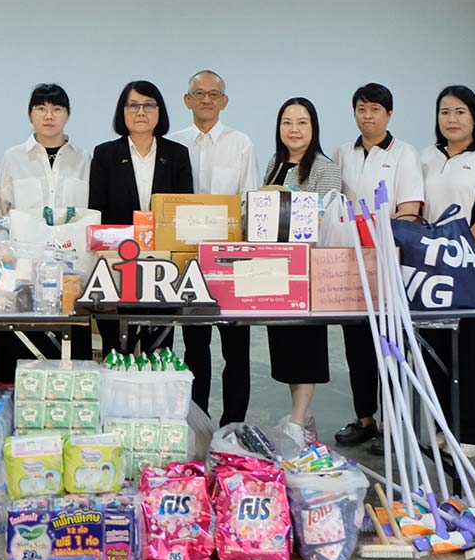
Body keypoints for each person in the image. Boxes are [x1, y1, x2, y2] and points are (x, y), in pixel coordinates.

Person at [330, 83, 424, 453]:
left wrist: (383, 243)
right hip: (351, 262)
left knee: (390, 343)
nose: (367, 116)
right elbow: (334, 205)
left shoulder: (404, 154)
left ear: (389, 114)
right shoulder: (343, 152)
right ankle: (365, 418)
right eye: (361, 109)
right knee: (356, 346)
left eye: (374, 110)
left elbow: (410, 210)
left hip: (388, 261)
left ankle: (392, 424)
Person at [419, 85, 475, 459]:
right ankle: (445, 427)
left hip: (474, 261)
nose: (451, 119)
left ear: (474, 117)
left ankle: (474, 434)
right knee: (436, 348)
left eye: (460, 112)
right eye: (445, 112)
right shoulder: (427, 156)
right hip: (431, 264)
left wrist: (461, 250)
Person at [168, 70, 259, 426]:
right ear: (187, 100)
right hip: (187, 260)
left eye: (214, 94)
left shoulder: (241, 144)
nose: (206, 99)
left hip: (231, 259)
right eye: (199, 93)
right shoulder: (173, 144)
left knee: (237, 349)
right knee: (195, 347)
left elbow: (249, 201)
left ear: (224, 101)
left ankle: (233, 426)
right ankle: (199, 422)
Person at [0, 84, 93, 380]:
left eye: (57, 109)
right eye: (41, 108)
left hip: (71, 274)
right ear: (30, 114)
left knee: (70, 356)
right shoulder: (12, 158)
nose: (49, 116)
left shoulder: (84, 160)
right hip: (24, 275)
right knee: (19, 355)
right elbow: (2, 212)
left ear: (68, 115)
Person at [89, 80, 193, 355]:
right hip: (117, 264)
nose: (141, 112)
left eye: (149, 105)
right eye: (133, 105)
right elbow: (97, 213)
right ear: (122, 112)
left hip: (163, 268)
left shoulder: (177, 155)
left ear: (160, 111)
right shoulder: (105, 154)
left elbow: (184, 213)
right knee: (116, 350)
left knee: (158, 350)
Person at [261, 97, 341, 445]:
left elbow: (324, 218)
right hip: (276, 267)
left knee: (306, 346)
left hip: (308, 269)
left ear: (313, 127)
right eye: (287, 122)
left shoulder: (325, 168)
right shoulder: (275, 163)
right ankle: (302, 418)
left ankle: (297, 419)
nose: (293, 129)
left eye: (302, 122)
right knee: (286, 348)